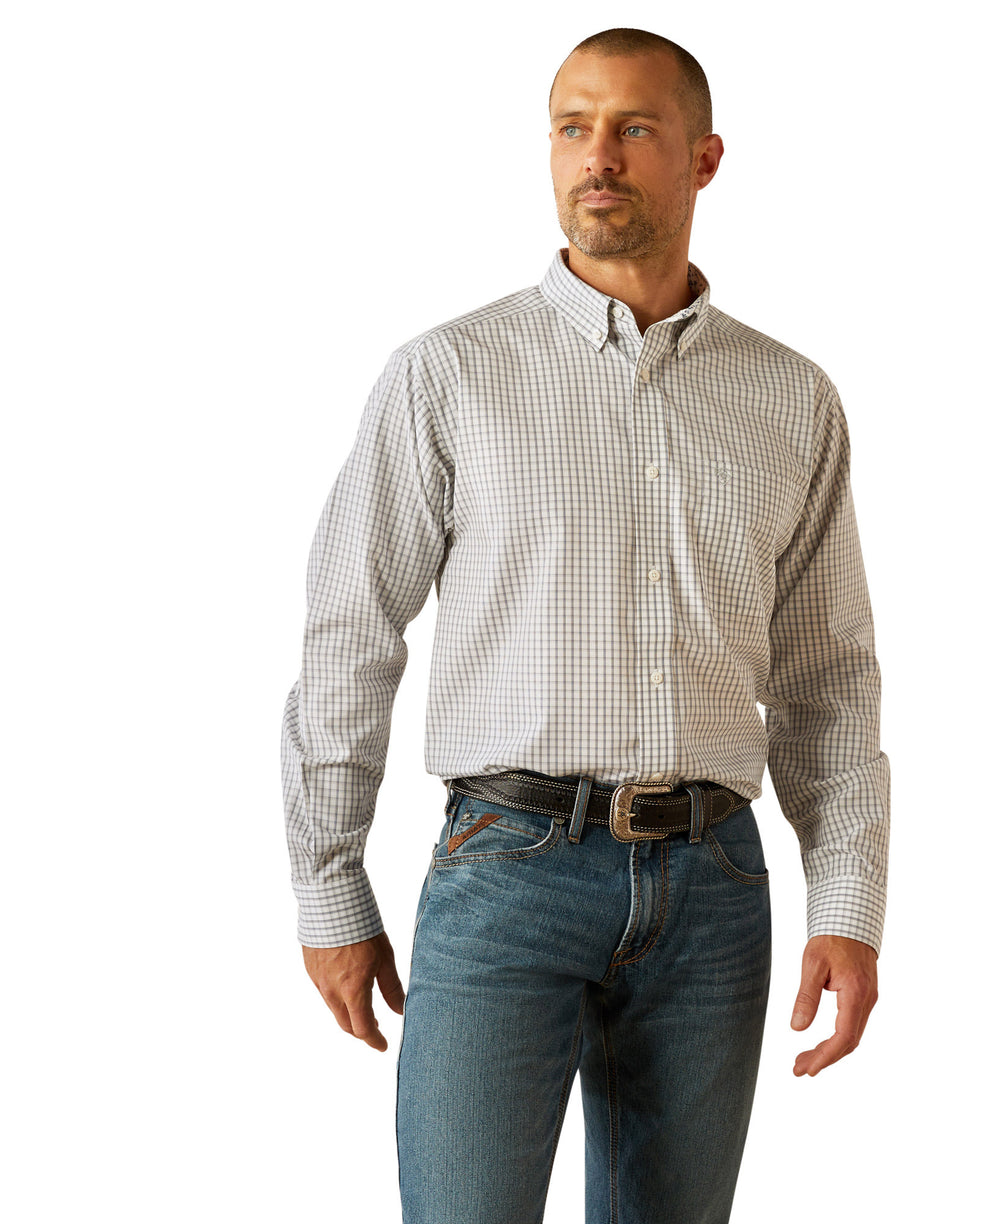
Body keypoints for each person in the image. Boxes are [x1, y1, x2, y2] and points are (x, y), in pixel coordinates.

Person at [280, 26, 890, 1224]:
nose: (596, 155)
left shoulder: (791, 398)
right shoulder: (449, 375)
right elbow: (349, 632)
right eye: (573, 126)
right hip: (508, 873)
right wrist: (328, 889)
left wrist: (848, 902)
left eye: (633, 127)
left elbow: (828, 678)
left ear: (704, 159)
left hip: (716, 889)